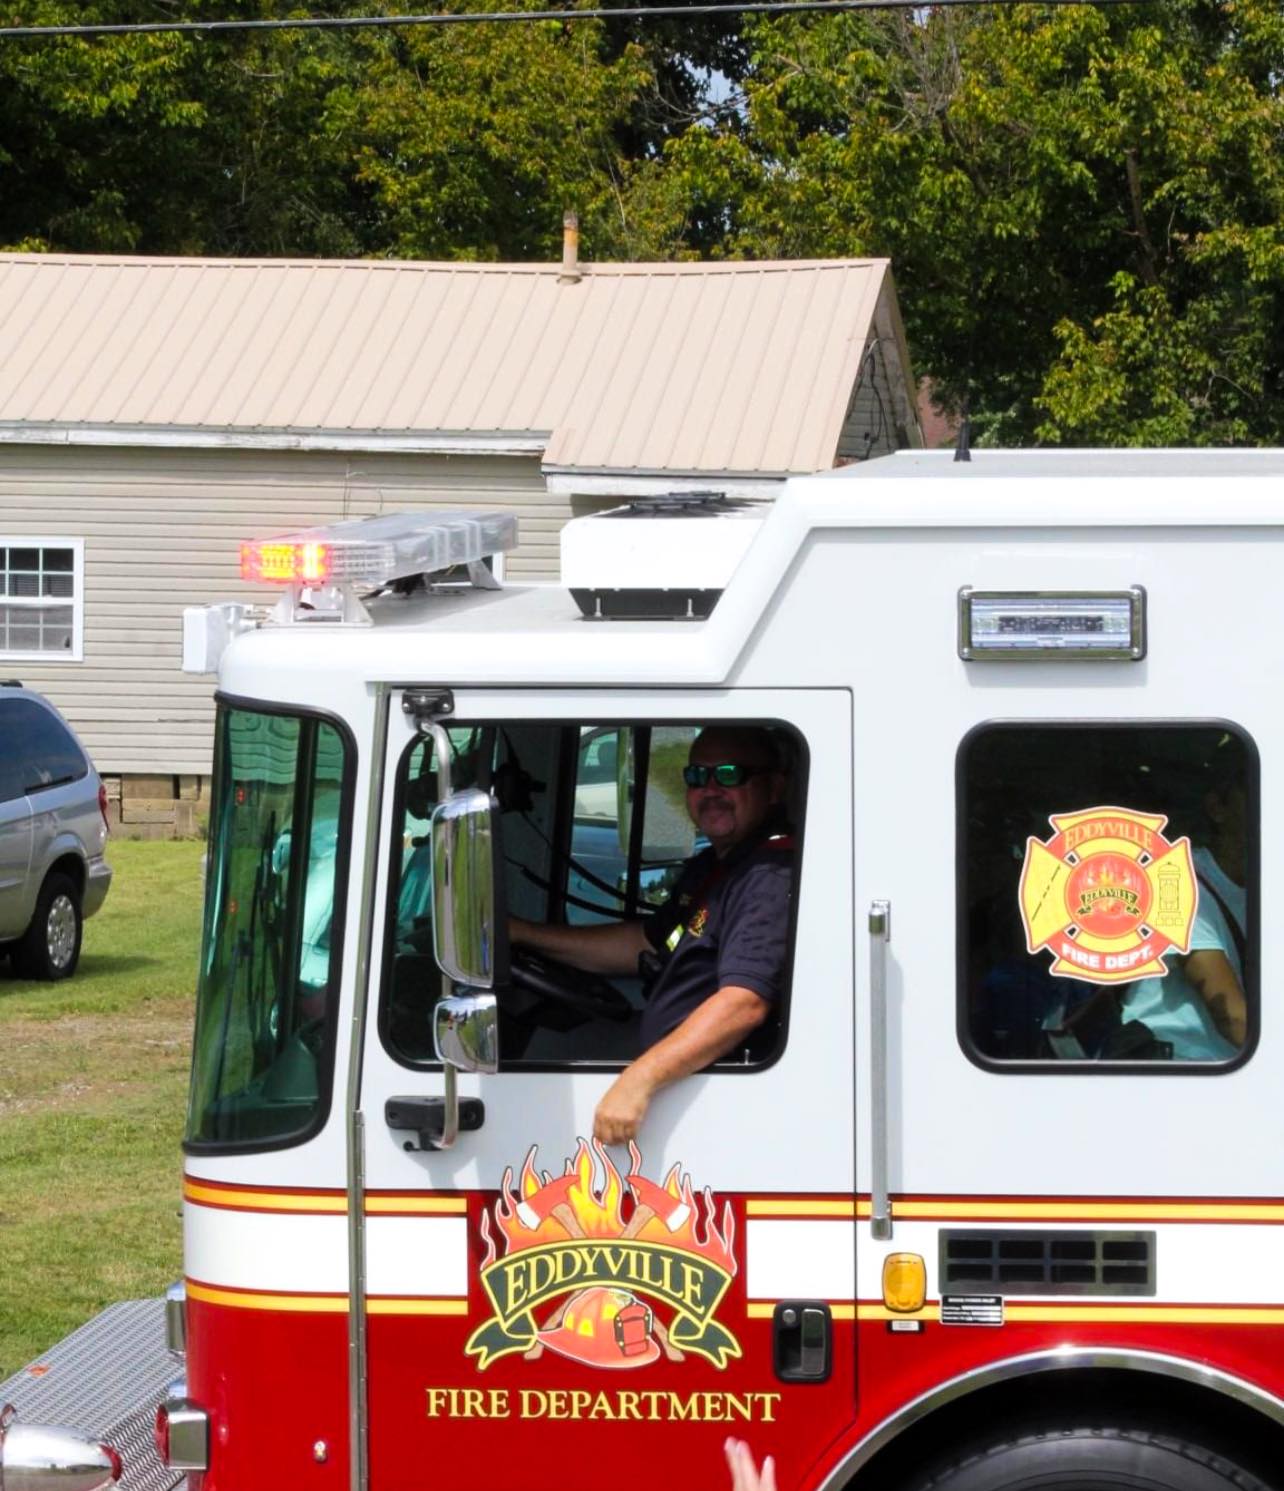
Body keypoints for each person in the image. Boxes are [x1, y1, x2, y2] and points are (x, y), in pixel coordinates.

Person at [509, 725, 795, 1144]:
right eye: (697, 777)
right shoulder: (714, 868)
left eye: (729, 775)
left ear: (774, 788)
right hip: (676, 1079)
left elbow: (743, 1003)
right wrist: (522, 935)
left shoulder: (768, 876)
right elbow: (643, 943)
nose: (710, 789)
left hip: (708, 1102)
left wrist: (638, 1081)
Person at [1118, 776, 1248, 1060]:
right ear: (1217, 809)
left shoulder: (1262, 886)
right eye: (1257, 793)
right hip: (1182, 1072)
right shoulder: (1177, 882)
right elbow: (1232, 1018)